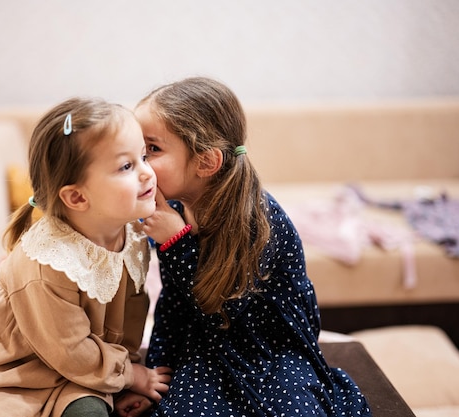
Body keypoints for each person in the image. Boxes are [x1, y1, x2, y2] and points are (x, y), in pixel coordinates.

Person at [131, 77, 372, 416]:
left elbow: (228, 312)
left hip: (271, 349)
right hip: (207, 348)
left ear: (206, 163)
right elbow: (175, 305)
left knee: (296, 408)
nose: (140, 168)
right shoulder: (174, 210)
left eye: (152, 151)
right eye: (137, 154)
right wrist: (152, 378)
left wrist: (177, 243)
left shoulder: (256, 220)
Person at [0, 97, 172, 417]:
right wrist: (131, 375)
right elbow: (69, 350)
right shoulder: (48, 263)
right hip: (15, 369)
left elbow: (132, 311)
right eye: (126, 166)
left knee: (89, 408)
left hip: (83, 367)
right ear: (77, 197)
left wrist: (123, 373)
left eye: (143, 157)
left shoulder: (131, 234)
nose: (147, 173)